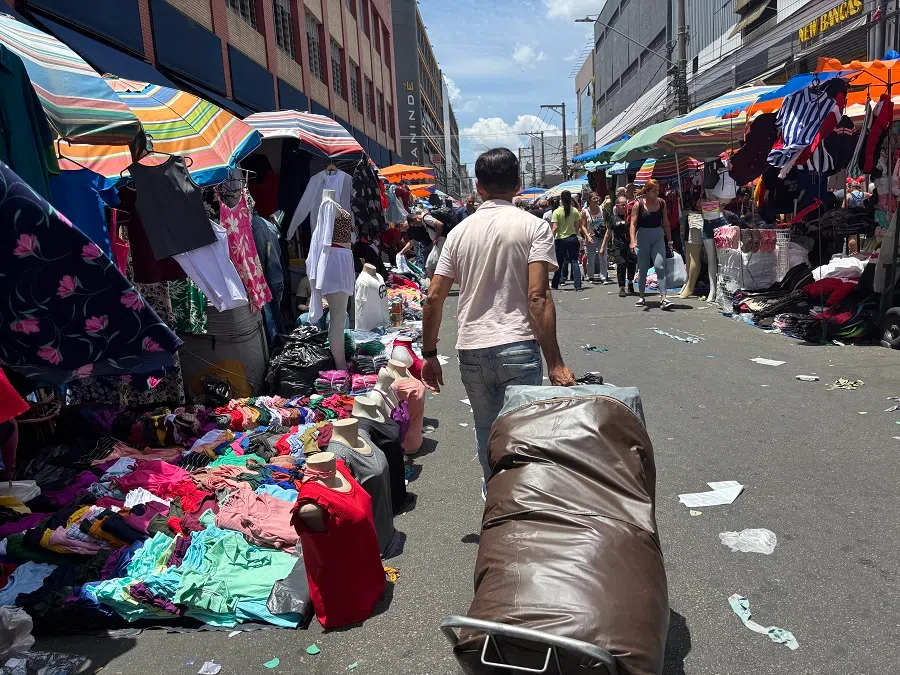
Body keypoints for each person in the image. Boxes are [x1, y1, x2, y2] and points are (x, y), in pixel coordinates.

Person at [420, 148, 576, 498]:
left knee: (486, 431)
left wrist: (429, 354)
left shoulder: (458, 234)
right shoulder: (534, 227)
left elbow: (433, 298)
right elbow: (538, 297)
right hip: (518, 347)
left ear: (478, 187)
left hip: (472, 349)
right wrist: (555, 362)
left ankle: (495, 506)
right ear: (518, 185)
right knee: (520, 436)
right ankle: (520, 507)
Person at [630, 179, 674, 309]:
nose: (656, 193)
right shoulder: (638, 204)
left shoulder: (662, 203)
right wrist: (633, 242)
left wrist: (670, 241)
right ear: (647, 191)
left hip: (658, 237)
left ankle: (664, 298)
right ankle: (641, 296)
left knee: (660, 266)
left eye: (658, 191)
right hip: (643, 238)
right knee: (643, 268)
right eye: (654, 191)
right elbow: (632, 224)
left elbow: (666, 223)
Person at [551, 190, 591, 291]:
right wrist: (575, 234)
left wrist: (551, 237)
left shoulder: (557, 212)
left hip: (561, 239)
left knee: (559, 262)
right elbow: (577, 226)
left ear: (561, 199)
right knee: (574, 261)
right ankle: (578, 285)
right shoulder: (575, 211)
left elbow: (555, 227)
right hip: (573, 238)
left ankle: (556, 283)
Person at [604, 196, 637, 297]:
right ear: (617, 206)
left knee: (632, 264)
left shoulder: (631, 217)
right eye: (622, 205)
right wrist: (603, 246)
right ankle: (622, 287)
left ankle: (630, 282)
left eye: (625, 204)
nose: (624, 206)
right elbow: (608, 233)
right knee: (621, 264)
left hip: (630, 244)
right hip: (618, 245)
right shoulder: (613, 218)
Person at [581, 192, 609, 284]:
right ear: (589, 200)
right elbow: (583, 226)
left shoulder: (602, 209)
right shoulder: (585, 212)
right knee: (591, 257)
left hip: (601, 236)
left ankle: (603, 276)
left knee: (603, 257)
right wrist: (587, 236)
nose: (596, 200)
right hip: (591, 236)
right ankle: (591, 276)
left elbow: (605, 222)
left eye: (597, 198)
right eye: (594, 199)